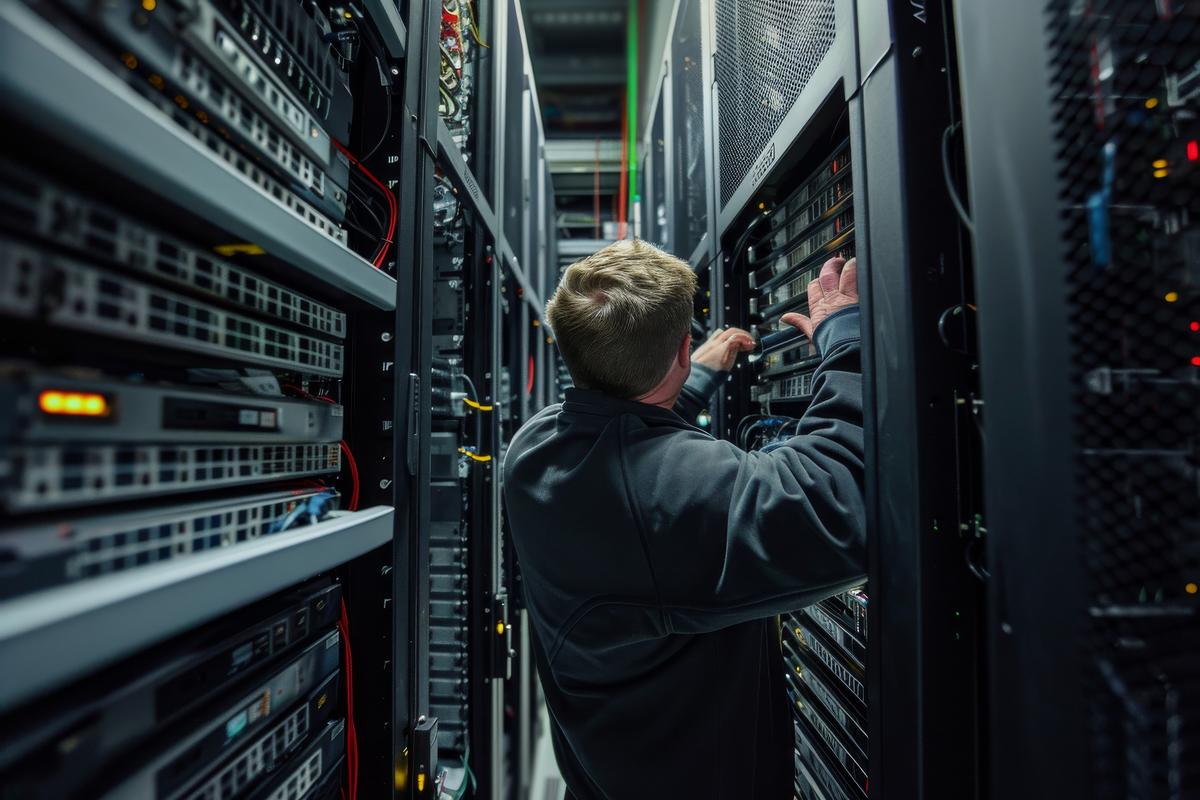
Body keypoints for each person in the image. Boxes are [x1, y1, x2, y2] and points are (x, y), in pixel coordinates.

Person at [503, 239, 864, 799]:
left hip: (607, 772)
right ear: (679, 350)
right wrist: (846, 341)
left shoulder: (533, 446)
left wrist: (690, 379)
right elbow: (840, 504)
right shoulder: (665, 504)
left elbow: (627, 427)